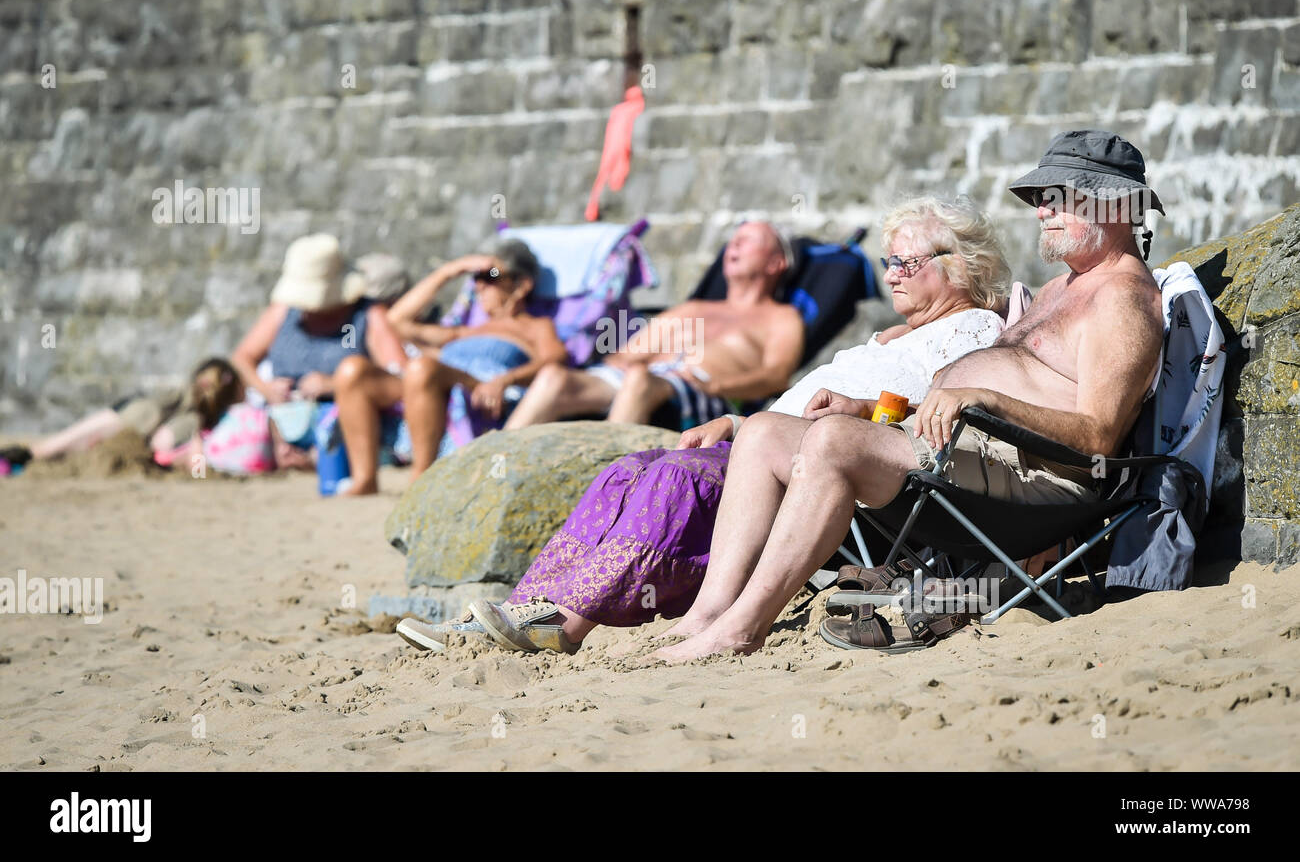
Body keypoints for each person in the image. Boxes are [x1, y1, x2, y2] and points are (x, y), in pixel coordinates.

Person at [396, 197, 1011, 653]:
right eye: (888, 260)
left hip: (823, 468)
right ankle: (524, 607)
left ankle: (565, 626)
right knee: (627, 470)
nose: (892, 273)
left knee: (677, 482)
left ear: (958, 265)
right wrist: (737, 420)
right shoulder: (884, 336)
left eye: (905, 260)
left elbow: (945, 409)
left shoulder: (975, 329)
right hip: (767, 442)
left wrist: (865, 412)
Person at [652, 129, 1165, 661]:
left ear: (1115, 204)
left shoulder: (1122, 300)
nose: (1040, 212)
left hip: (1032, 477)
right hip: (959, 449)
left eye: (1056, 198)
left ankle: (743, 626)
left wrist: (984, 401)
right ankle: (709, 611)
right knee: (760, 433)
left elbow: (1099, 436)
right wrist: (880, 408)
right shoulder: (1065, 288)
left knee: (832, 444)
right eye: (1039, 199)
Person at [503, 220, 804, 432]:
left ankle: (605, 490)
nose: (734, 243)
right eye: (734, 238)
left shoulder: (782, 318)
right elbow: (625, 356)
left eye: (749, 239)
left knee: (638, 380)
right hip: (642, 378)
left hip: (704, 392)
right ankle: (489, 466)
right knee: (554, 377)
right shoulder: (694, 308)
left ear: (776, 263)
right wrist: (624, 363)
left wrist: (717, 385)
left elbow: (777, 376)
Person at [333, 239, 567, 495]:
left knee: (423, 369)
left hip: (480, 388)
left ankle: (419, 481)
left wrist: (505, 380)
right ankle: (364, 479)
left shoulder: (534, 327)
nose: (478, 285)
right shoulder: (464, 330)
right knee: (352, 370)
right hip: (431, 381)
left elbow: (555, 358)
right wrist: (451, 270)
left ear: (522, 285)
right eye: (475, 277)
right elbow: (395, 321)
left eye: (490, 276)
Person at [230, 233, 408, 470]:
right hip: (282, 422)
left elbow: (401, 379)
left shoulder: (367, 316)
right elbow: (242, 358)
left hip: (345, 425)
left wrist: (338, 383)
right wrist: (267, 389)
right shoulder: (284, 311)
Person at [1, 358, 244, 471]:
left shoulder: (168, 398)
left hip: (128, 413)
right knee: (58, 450)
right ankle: (18, 460)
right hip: (135, 439)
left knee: (51, 447)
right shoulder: (195, 424)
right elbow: (171, 453)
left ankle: (17, 459)